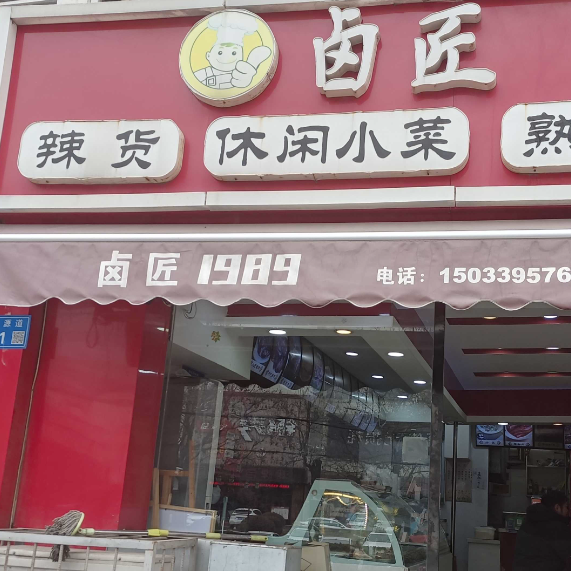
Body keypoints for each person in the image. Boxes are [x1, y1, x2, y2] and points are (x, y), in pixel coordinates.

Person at [514, 490, 571, 571]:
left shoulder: (528, 521)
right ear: (557, 507)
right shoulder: (557, 527)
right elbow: (567, 553)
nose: (568, 511)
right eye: (566, 507)